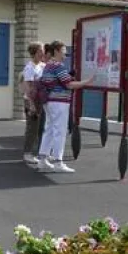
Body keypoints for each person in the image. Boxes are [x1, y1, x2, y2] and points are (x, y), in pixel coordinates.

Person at [36, 40, 94, 173]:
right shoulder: (58, 66)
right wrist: (86, 82)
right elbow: (69, 85)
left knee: (49, 129)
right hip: (59, 102)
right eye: (63, 51)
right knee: (60, 131)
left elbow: (58, 81)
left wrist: (69, 77)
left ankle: (42, 160)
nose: (65, 54)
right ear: (56, 51)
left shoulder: (48, 65)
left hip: (49, 101)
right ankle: (58, 162)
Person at [19, 42, 45, 164]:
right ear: (34, 53)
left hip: (40, 100)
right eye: (40, 51)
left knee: (41, 128)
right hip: (32, 101)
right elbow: (28, 88)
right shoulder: (29, 68)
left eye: (43, 50)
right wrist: (32, 105)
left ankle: (41, 153)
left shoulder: (42, 65)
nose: (43, 53)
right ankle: (27, 154)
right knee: (32, 128)